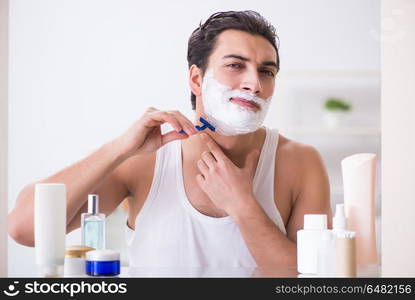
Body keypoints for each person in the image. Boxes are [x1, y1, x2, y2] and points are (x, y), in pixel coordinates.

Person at [8, 10, 332, 268]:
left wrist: (242, 205)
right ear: (196, 77)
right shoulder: (145, 161)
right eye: (236, 65)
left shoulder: (299, 162)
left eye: (267, 71)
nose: (254, 83)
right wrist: (119, 150)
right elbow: (24, 228)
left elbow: (307, 281)